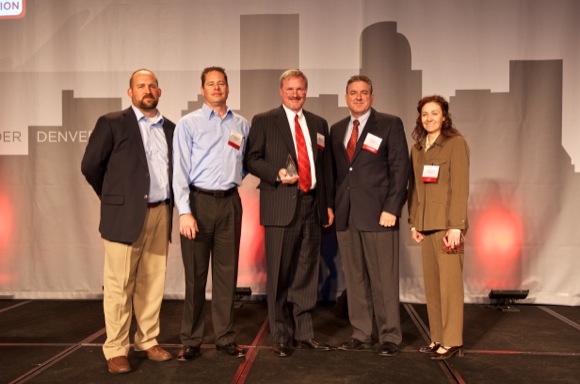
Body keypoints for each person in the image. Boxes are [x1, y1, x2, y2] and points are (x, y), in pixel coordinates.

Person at [81, 69, 175, 374]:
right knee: (119, 285)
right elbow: (91, 166)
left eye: (152, 86)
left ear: (159, 92)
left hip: (161, 212)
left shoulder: (171, 128)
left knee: (152, 283)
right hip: (124, 216)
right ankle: (116, 349)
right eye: (141, 86)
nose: (147, 90)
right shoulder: (112, 123)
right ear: (130, 91)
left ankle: (148, 340)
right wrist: (114, 198)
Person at [244, 69, 334, 357]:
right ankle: (281, 335)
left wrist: (327, 204)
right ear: (281, 91)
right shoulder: (264, 121)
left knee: (307, 273)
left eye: (300, 89)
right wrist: (276, 173)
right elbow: (251, 158)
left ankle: (304, 333)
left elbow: (326, 169)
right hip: (281, 205)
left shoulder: (320, 123)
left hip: (311, 205)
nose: (296, 94)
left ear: (306, 91)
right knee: (281, 273)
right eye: (290, 89)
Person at [173, 66, 249, 361]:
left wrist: (231, 180)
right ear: (202, 90)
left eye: (221, 83)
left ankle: (225, 337)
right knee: (195, 277)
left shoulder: (241, 124)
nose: (217, 88)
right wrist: (184, 212)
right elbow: (179, 170)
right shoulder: (188, 124)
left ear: (228, 88)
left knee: (226, 276)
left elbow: (244, 162)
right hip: (198, 203)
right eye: (211, 84)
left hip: (230, 203)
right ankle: (191, 339)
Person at [330, 75, 409, 357]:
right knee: (354, 278)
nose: (359, 97)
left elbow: (401, 170)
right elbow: (337, 174)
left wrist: (392, 208)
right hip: (347, 215)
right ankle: (361, 332)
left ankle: (390, 335)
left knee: (383, 278)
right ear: (346, 97)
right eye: (353, 93)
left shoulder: (389, 124)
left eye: (364, 93)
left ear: (372, 97)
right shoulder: (337, 129)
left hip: (379, 216)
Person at [408, 95, 469, 360]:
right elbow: (415, 189)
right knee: (432, 286)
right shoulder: (418, 149)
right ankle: (437, 338)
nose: (429, 118)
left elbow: (460, 187)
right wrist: (414, 222)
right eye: (425, 114)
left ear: (444, 116)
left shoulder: (456, 144)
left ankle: (453, 340)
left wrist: (457, 226)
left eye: (435, 113)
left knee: (450, 286)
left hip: (447, 227)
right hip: (426, 224)